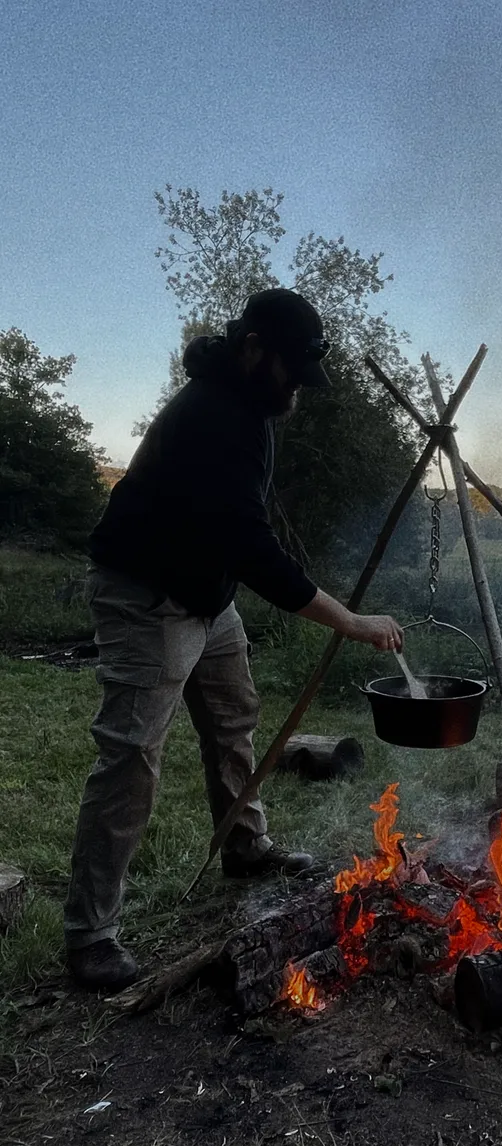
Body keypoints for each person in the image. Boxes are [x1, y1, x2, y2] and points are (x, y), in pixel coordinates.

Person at [65, 288, 403, 994]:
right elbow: (251, 547)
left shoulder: (248, 406)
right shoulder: (215, 417)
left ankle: (245, 845)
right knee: (132, 757)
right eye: (290, 373)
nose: (296, 393)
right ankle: (91, 934)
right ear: (253, 347)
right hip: (147, 592)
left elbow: (242, 529)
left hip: (205, 594)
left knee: (233, 716)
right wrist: (350, 620)